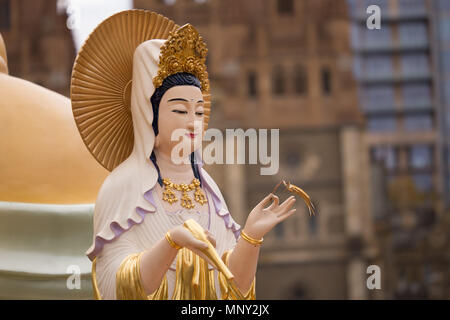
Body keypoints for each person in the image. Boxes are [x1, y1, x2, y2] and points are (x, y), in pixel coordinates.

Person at [71, 10, 296, 300]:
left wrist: (251, 237)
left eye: (200, 111)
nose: (193, 122)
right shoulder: (123, 186)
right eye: (179, 110)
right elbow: (112, 285)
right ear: (147, 114)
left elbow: (233, 288)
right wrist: (171, 243)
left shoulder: (208, 188)